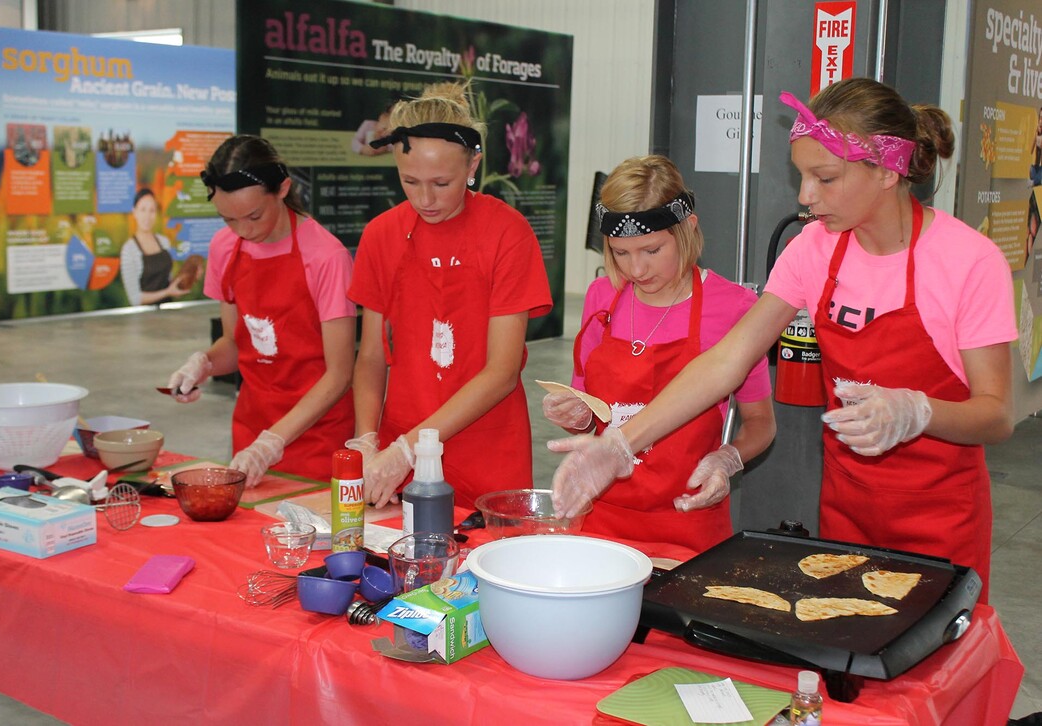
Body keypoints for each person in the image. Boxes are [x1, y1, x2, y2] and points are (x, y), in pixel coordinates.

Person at [550, 78, 1016, 601]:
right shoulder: (812, 251)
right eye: (802, 175)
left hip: (941, 513)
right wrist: (619, 445)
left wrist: (919, 412)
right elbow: (726, 360)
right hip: (847, 505)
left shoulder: (968, 261)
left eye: (825, 177)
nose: (804, 196)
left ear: (887, 170)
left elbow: (996, 414)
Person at [543, 156, 774, 551]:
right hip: (602, 517)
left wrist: (727, 459)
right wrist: (576, 416)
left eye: (651, 250)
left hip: (687, 518)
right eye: (620, 253)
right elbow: (592, 416)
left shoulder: (735, 307)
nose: (636, 269)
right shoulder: (602, 299)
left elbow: (761, 424)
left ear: (688, 229)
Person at [347, 81, 553, 509]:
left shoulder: (506, 233)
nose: (425, 199)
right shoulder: (381, 235)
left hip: (487, 451)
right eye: (410, 181)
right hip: (398, 454)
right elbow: (370, 355)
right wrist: (369, 440)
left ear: (473, 163)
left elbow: (502, 370)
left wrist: (410, 448)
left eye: (442, 182)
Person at [166, 135, 355, 486]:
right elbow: (237, 345)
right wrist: (203, 364)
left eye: (254, 216)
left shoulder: (326, 257)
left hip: (318, 438)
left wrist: (274, 441)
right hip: (251, 435)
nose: (243, 231)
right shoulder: (225, 248)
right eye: (229, 219)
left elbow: (340, 374)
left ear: (282, 189)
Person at [120, 188, 188, 306]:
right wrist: (167, 292)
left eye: (152, 210)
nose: (147, 216)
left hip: (168, 313)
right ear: (134, 212)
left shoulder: (164, 241)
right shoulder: (129, 250)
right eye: (143, 210)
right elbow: (135, 299)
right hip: (144, 318)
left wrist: (186, 278)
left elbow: (168, 280)